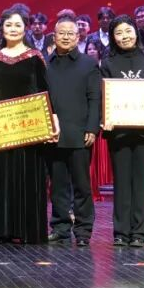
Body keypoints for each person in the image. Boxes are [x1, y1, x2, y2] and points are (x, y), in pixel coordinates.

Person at [0, 6, 50, 244]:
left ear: (25, 28)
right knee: (2, 176)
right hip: (0, 128)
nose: (12, 29)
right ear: (1, 28)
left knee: (28, 175)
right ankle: (2, 230)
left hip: (30, 126)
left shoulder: (34, 57)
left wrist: (50, 120)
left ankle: (27, 230)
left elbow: (45, 91)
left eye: (17, 25)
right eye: (8, 25)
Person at [99, 14, 144, 247]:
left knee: (142, 183)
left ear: (136, 32)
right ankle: (120, 232)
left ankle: (140, 234)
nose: (124, 36)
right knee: (122, 182)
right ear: (112, 37)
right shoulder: (107, 63)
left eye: (128, 31)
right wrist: (104, 118)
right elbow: (103, 96)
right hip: (119, 131)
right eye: (119, 33)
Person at [45, 16, 100, 247]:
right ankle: (60, 228)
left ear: (78, 37)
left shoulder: (88, 64)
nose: (66, 37)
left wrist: (92, 128)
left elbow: (95, 98)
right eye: (62, 33)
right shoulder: (45, 63)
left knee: (82, 186)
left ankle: (84, 230)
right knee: (58, 186)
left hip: (80, 134)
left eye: (70, 33)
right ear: (54, 36)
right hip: (53, 134)